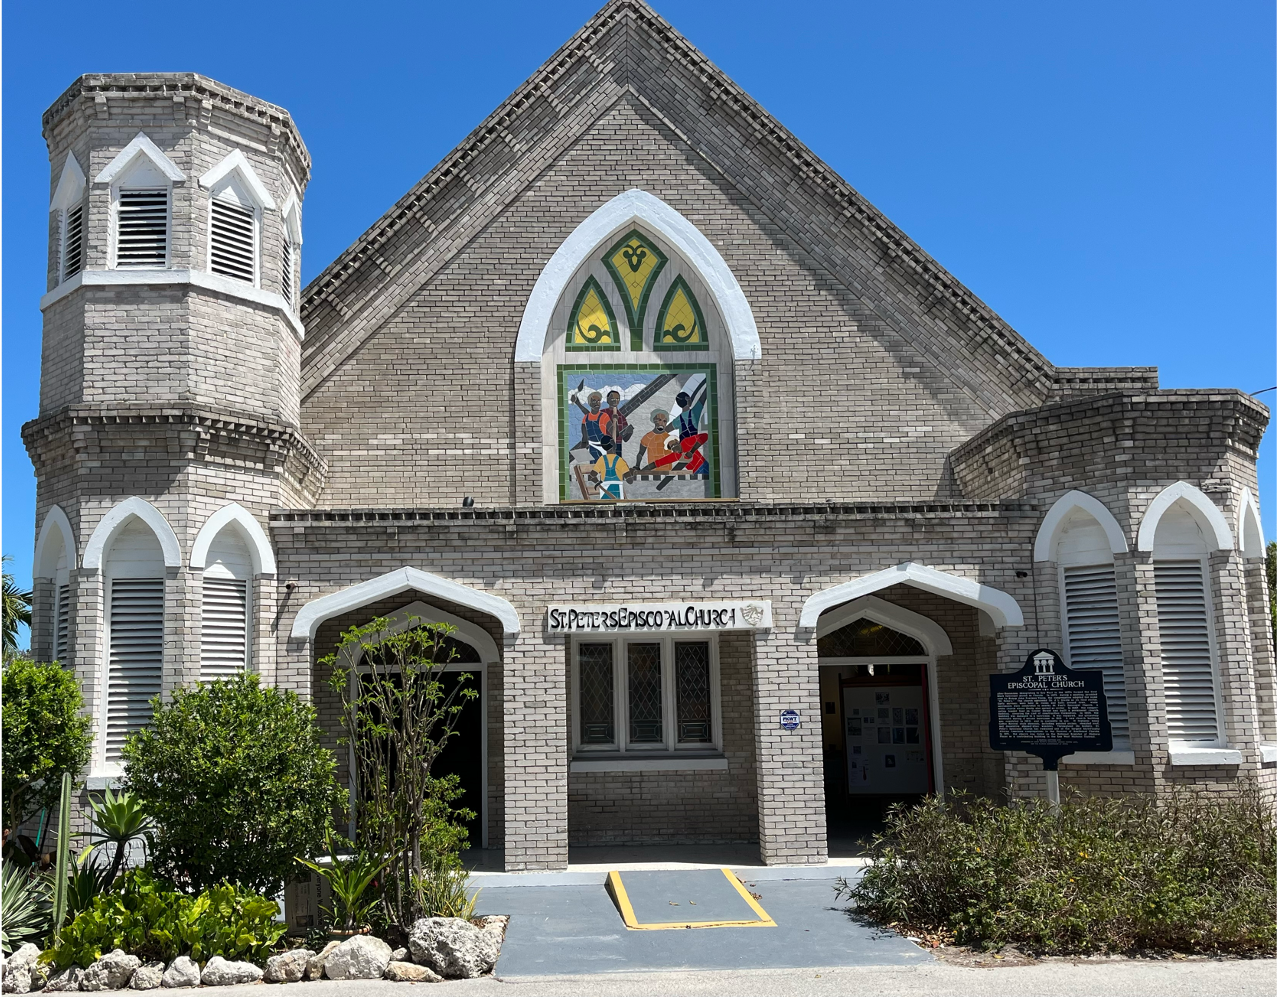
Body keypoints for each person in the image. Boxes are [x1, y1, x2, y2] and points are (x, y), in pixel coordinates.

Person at [587, 435, 631, 500]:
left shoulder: (601, 460)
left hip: (604, 494)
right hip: (617, 495)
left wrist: (599, 483)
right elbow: (630, 481)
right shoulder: (620, 460)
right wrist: (631, 473)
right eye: (613, 441)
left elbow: (591, 476)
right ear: (612, 443)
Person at [571, 389, 608, 461]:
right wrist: (582, 454)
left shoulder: (604, 416)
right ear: (589, 403)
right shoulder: (586, 419)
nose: (597, 403)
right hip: (592, 449)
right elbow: (584, 438)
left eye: (598, 401)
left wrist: (577, 402)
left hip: (604, 448)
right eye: (594, 401)